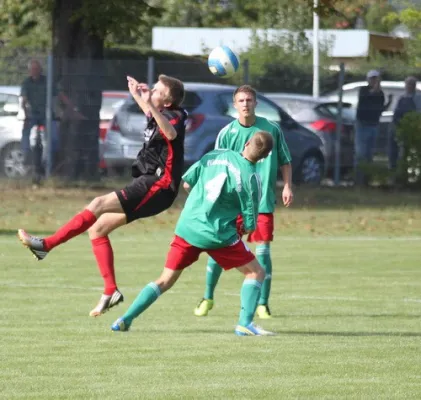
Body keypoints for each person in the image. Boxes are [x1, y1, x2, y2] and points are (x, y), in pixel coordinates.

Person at [18, 74, 188, 317]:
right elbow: (152, 115)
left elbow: (170, 133)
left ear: (167, 101)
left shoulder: (177, 116)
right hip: (150, 184)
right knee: (97, 230)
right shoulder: (159, 112)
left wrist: (148, 103)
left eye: (157, 90)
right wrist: (137, 96)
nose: (151, 90)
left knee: (97, 203)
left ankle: (45, 245)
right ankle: (110, 291)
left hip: (159, 185)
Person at [111, 131, 275, 336]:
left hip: (188, 227)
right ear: (265, 157)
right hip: (218, 235)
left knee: (165, 280)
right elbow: (250, 225)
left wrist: (202, 203)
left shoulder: (216, 154)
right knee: (256, 272)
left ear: (248, 142)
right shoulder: (252, 178)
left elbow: (187, 183)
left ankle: (125, 319)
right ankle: (245, 323)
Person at [193, 85, 293, 320]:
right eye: (241, 100)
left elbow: (285, 160)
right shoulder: (227, 133)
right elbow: (215, 166)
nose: (246, 103)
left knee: (264, 252)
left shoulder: (271, 129)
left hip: (262, 203)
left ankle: (263, 304)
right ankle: (207, 297)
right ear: (235, 105)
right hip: (232, 203)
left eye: (249, 99)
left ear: (256, 103)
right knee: (219, 250)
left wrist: (288, 185)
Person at [355, 70, 393, 185]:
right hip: (363, 125)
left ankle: (366, 179)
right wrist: (377, 87)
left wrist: (389, 102)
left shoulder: (380, 94)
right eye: (372, 78)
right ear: (368, 79)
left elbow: (381, 110)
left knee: (369, 153)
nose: (374, 81)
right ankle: (358, 179)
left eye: (376, 78)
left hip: (374, 125)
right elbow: (369, 95)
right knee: (361, 153)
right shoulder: (363, 90)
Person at [20, 59, 59, 167]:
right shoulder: (26, 83)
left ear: (40, 70)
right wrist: (26, 113)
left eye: (36, 69)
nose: (35, 71)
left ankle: (50, 161)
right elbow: (24, 100)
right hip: (33, 114)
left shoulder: (47, 82)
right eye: (32, 69)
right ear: (29, 71)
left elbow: (57, 97)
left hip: (47, 114)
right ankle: (26, 155)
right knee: (25, 132)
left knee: (53, 136)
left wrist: (63, 110)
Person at [388, 76, 421, 171]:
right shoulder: (402, 97)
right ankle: (392, 169)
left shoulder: (418, 98)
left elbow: (418, 113)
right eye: (408, 84)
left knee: (406, 151)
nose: (409, 86)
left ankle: (404, 170)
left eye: (412, 84)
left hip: (410, 128)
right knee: (393, 149)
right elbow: (396, 112)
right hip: (397, 126)